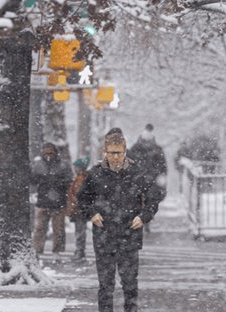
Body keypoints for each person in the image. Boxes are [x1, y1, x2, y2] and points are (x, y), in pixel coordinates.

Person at [77, 128, 165, 312]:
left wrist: (144, 217)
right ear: (105, 153)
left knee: (130, 284)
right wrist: (92, 213)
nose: (114, 157)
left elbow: (153, 198)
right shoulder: (96, 174)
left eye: (118, 153)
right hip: (104, 235)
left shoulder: (137, 173)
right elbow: (82, 197)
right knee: (105, 285)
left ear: (124, 152)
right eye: (111, 153)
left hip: (129, 234)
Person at [31, 142, 73, 255]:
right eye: (46, 153)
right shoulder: (38, 165)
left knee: (58, 228)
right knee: (39, 228)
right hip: (42, 202)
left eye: (51, 153)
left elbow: (69, 181)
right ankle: (37, 249)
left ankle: (58, 250)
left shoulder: (63, 165)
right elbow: (33, 180)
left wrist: (58, 183)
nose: (48, 155)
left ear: (56, 153)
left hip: (58, 202)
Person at [127, 123, 168, 233]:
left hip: (141, 179)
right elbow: (162, 165)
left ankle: (142, 219)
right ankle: (146, 219)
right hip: (150, 179)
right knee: (150, 200)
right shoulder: (157, 149)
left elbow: (129, 162)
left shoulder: (135, 149)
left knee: (139, 199)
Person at [65, 156, 91, 261]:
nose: (74, 169)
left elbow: (78, 195)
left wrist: (75, 205)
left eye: (76, 167)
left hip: (79, 209)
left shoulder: (81, 179)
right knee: (79, 231)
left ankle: (80, 251)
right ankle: (79, 251)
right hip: (78, 209)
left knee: (80, 232)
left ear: (80, 168)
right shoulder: (79, 178)